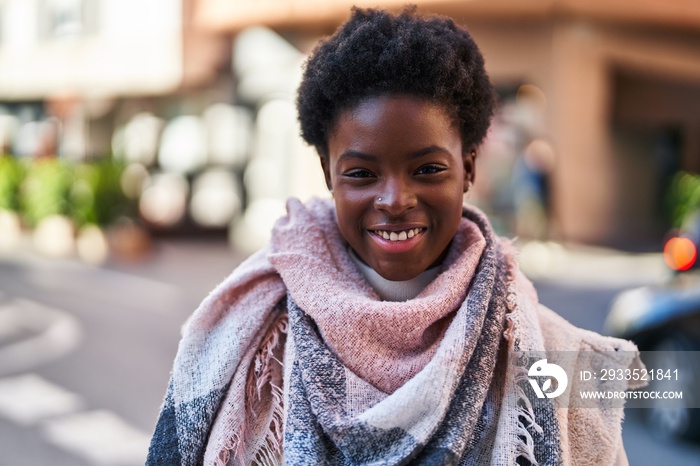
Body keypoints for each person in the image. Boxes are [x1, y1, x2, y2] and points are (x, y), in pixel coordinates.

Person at [147, 7, 642, 466]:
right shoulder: (242, 332)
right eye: (361, 174)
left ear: (467, 169)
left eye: (427, 169)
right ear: (328, 174)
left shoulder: (553, 353)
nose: (395, 199)